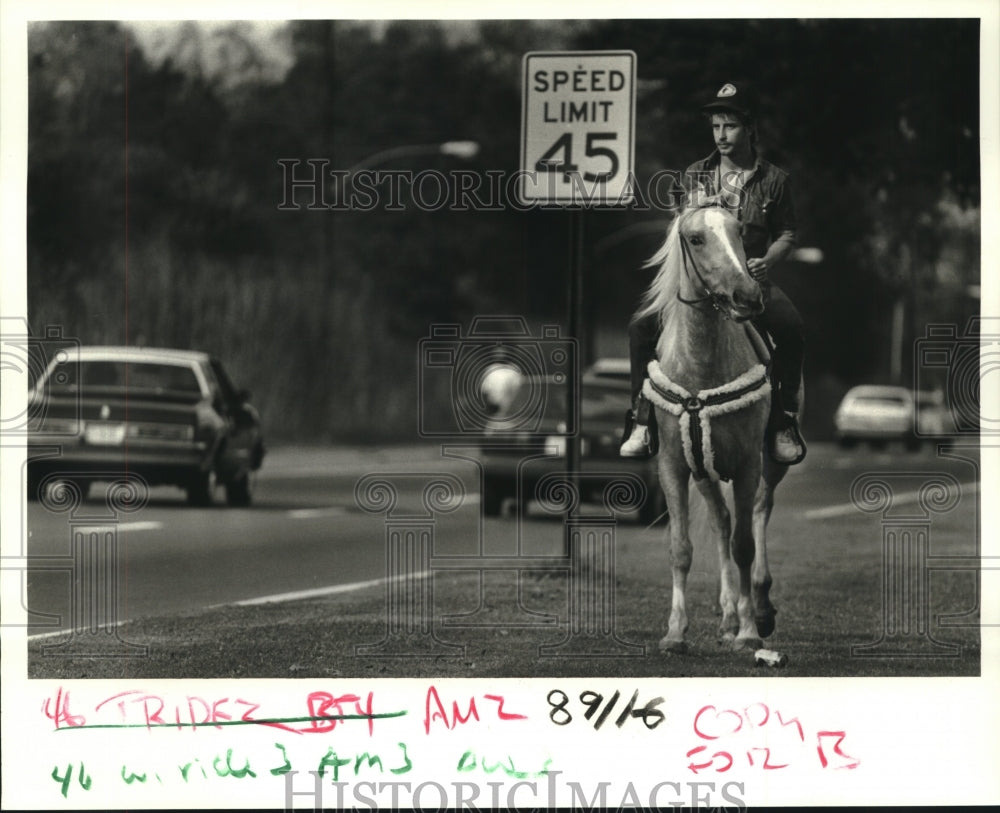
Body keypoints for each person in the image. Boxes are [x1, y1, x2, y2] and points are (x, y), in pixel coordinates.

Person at [620, 81, 807, 464]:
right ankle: (641, 418)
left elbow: (787, 234)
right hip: (700, 283)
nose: (721, 135)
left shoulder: (774, 180)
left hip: (750, 280)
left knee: (791, 328)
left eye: (730, 126)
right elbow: (683, 227)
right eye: (716, 126)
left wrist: (766, 261)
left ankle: (784, 420)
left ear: (749, 129)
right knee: (640, 328)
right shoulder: (695, 174)